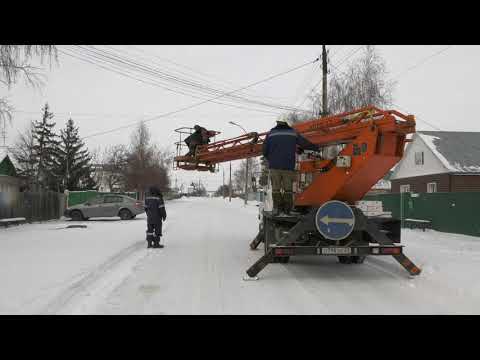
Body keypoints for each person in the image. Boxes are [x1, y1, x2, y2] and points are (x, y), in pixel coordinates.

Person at [262, 114, 320, 215]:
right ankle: (287, 210)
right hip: (288, 166)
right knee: (288, 189)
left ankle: (277, 209)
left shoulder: (270, 134)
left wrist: (271, 159)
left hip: (275, 167)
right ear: (286, 122)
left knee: (276, 189)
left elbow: (264, 151)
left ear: (277, 123)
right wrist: (316, 147)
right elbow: (304, 143)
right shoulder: (293, 133)